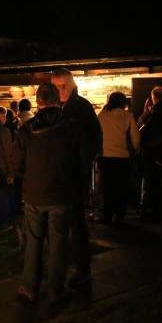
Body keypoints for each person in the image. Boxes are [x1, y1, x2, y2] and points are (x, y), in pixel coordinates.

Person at [15, 83, 87, 305]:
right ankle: (55, 290)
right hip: (61, 193)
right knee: (58, 242)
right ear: (58, 100)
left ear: (38, 102)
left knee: (34, 242)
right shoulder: (72, 128)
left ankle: (29, 288)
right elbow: (81, 160)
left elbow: (17, 164)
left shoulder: (26, 129)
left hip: (34, 193)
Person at [51, 68, 101, 290]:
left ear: (72, 85)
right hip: (63, 176)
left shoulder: (79, 108)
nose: (60, 90)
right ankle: (66, 269)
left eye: (63, 86)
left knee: (75, 224)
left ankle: (81, 270)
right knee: (66, 225)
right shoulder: (62, 108)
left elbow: (92, 142)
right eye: (56, 86)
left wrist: (81, 167)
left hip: (73, 177)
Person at [97, 92, 140, 225]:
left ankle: (107, 215)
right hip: (122, 157)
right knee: (121, 187)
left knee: (107, 187)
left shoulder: (101, 116)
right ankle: (119, 215)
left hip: (105, 157)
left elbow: (96, 135)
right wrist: (135, 150)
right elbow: (136, 138)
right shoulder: (128, 116)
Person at [139, 86, 162, 228]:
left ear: (153, 97)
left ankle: (154, 211)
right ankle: (160, 210)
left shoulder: (157, 111)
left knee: (153, 182)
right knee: (160, 182)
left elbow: (148, 131)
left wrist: (145, 115)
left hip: (154, 154)